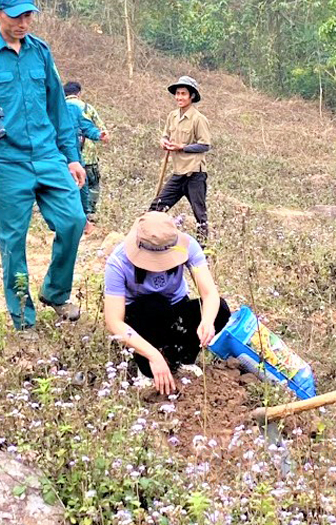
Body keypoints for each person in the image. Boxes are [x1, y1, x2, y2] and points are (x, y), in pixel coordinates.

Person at [0, 0, 86, 331]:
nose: (24, 22)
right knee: (13, 242)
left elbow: (58, 108)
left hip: (47, 155)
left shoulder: (40, 52)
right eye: (16, 16)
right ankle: (23, 321)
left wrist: (71, 156)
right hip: (5, 160)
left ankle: (56, 292)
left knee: (73, 221)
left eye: (28, 14)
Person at [104, 212, 230, 396]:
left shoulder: (188, 246)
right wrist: (153, 355)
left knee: (221, 310)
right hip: (141, 317)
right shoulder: (118, 262)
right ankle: (146, 368)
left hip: (175, 307)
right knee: (152, 305)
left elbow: (210, 294)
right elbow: (114, 321)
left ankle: (181, 358)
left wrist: (207, 321)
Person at [148, 76, 211, 243]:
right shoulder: (172, 116)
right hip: (178, 173)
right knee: (156, 207)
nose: (179, 97)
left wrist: (181, 147)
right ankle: (152, 241)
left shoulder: (199, 119)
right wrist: (163, 141)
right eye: (177, 94)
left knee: (200, 215)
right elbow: (165, 135)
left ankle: (203, 250)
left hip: (194, 174)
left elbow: (205, 145)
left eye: (183, 94)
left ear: (191, 96)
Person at [64, 82, 108, 228]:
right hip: (81, 156)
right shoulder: (86, 107)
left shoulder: (70, 109)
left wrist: (96, 134)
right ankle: (88, 213)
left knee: (78, 186)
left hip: (75, 157)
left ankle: (82, 219)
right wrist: (100, 134)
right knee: (90, 185)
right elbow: (97, 128)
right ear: (79, 93)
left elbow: (87, 127)